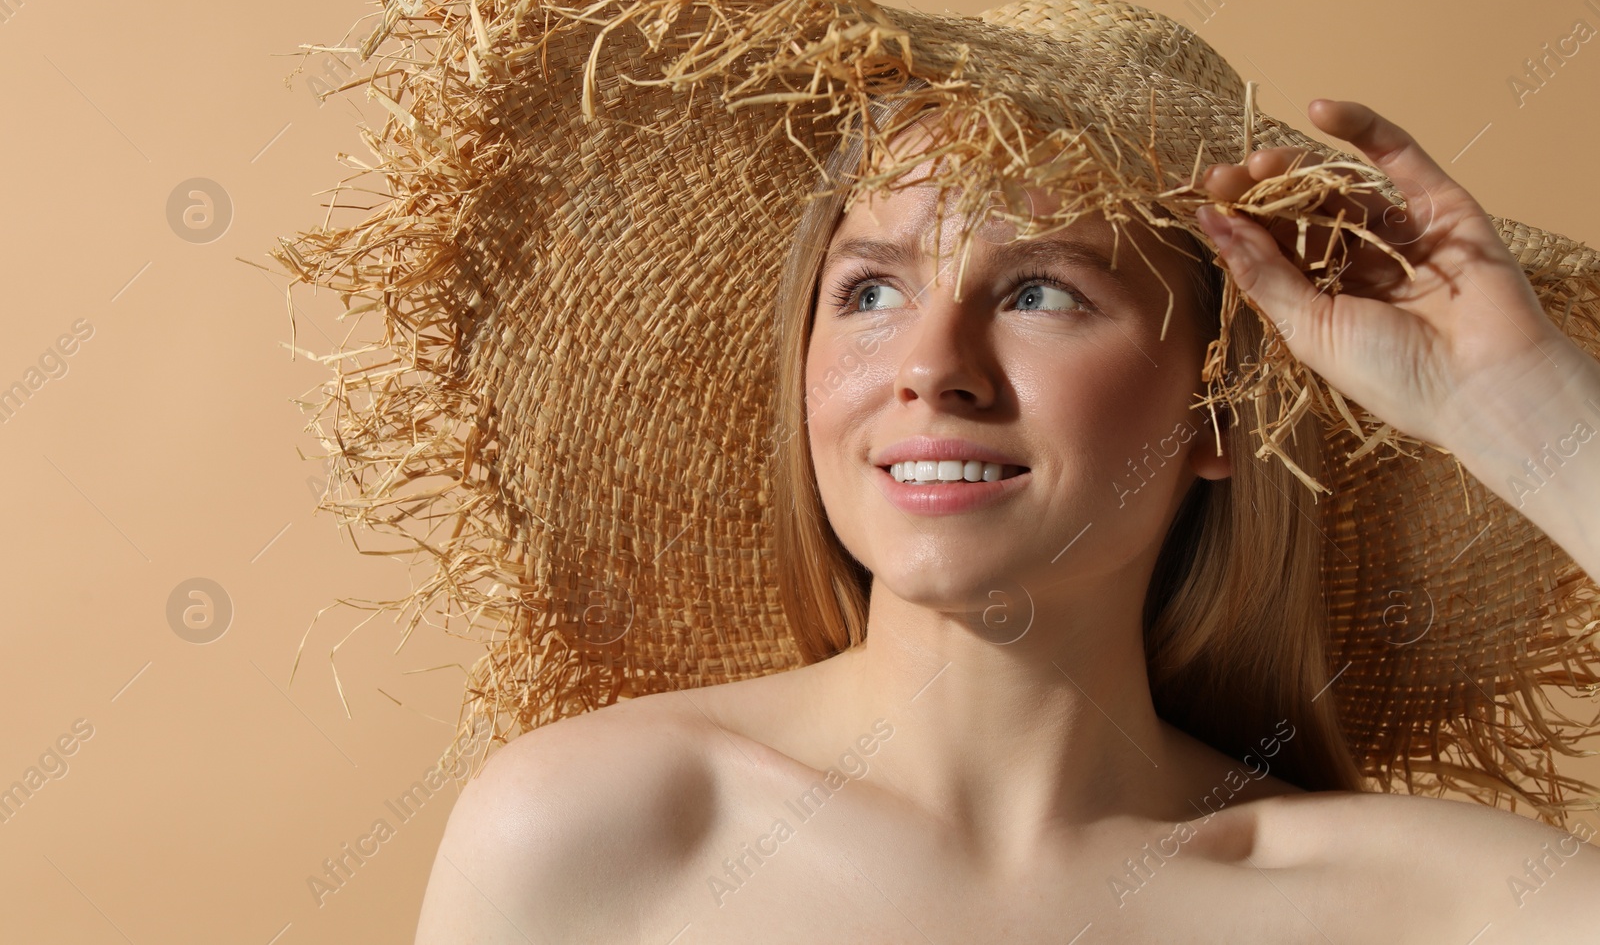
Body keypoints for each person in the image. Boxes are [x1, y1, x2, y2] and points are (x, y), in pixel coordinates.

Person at [410, 94, 1600, 943]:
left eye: (1040, 290)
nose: (931, 367)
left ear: (1223, 411)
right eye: (870, 289)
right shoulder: (594, 826)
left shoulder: (1424, 909)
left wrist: (1530, 416)